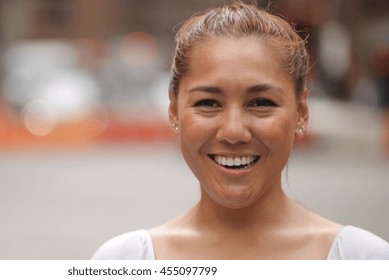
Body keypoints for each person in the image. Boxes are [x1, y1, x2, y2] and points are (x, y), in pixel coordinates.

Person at [92, 1, 389, 260]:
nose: (233, 131)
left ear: (301, 114)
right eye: (209, 102)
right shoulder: (126, 262)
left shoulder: (361, 259)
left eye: (261, 102)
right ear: (174, 113)